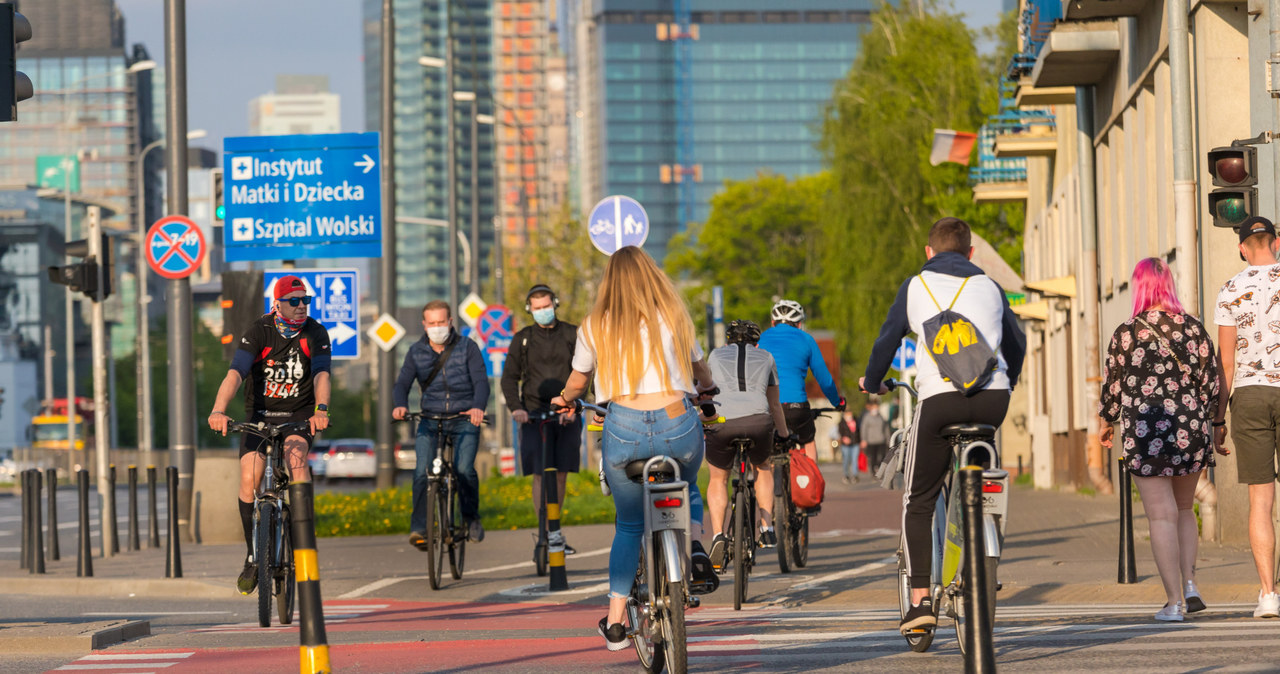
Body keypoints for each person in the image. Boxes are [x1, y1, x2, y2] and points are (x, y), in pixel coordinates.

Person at [859, 217, 1025, 634]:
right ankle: (984, 547)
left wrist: (874, 381)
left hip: (940, 402)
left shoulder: (916, 286)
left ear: (928, 252)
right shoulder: (990, 286)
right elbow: (1016, 342)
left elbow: (887, 339)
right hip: (992, 400)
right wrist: (1008, 382)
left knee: (917, 500)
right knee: (986, 475)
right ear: (971, 253)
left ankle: (920, 602)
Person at [549, 246, 719, 652]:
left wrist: (564, 399)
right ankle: (694, 547)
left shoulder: (595, 325)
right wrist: (708, 391)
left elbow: (578, 380)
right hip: (677, 419)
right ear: (652, 275)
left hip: (623, 426)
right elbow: (700, 372)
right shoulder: (674, 315)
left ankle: (614, 622)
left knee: (628, 525)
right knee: (689, 485)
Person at [1101, 258, 1224, 621]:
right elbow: (1212, 382)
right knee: (1185, 510)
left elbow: (1112, 385)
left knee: (1161, 516)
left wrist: (1107, 422)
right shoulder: (1194, 329)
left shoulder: (1126, 333)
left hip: (1145, 429)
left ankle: (1174, 603)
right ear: (1168, 284)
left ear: (1139, 287)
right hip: (1189, 427)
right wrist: (1214, 421)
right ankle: (1189, 584)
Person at [208, 275, 331, 595]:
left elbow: (321, 374)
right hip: (259, 416)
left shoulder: (315, 333)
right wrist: (218, 410)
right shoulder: (258, 331)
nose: (301, 306)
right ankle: (252, 554)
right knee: (250, 477)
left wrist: (322, 410)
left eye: (305, 300)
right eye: (294, 301)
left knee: (297, 460)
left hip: (299, 416)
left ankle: (304, 544)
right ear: (277, 304)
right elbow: (235, 373)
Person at [1213, 215, 1280, 619]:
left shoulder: (1230, 290)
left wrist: (1218, 418)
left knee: (1261, 498)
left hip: (1251, 396)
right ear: (1276, 242)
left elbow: (1226, 363)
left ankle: (1269, 594)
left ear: (1241, 247)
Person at [393, 300, 490, 545]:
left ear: (450, 322)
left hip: (464, 418)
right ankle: (419, 529)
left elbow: (481, 382)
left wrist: (477, 408)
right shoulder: (416, 351)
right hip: (430, 419)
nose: (437, 327)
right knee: (420, 472)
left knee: (464, 470)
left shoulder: (468, 347)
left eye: (441, 322)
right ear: (424, 325)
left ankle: (470, 517)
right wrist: (400, 405)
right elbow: (402, 383)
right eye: (432, 323)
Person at [703, 319, 792, 569]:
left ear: (727, 340)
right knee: (762, 466)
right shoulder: (766, 357)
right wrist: (784, 435)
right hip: (757, 421)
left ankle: (719, 535)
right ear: (756, 342)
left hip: (722, 421)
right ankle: (766, 526)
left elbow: (705, 392)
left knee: (718, 478)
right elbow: (774, 405)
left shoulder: (715, 355)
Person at [501, 284, 582, 557]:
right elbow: (509, 377)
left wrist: (575, 407)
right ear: (529, 310)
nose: (542, 312)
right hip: (533, 415)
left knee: (559, 475)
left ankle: (556, 530)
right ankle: (544, 532)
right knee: (539, 473)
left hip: (566, 413)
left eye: (546, 306)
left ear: (555, 304)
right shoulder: (522, 339)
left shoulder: (572, 334)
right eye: (537, 309)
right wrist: (516, 408)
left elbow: (586, 371)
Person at [757, 299, 845, 500]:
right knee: (808, 441)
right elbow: (824, 378)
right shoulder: (806, 340)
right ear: (799, 323)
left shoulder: (761, 339)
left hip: (766, 406)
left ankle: (765, 497)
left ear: (773, 322)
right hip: (796, 406)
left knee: (766, 451)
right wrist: (837, 402)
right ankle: (810, 489)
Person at [859, 399, 890, 476]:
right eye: (874, 407)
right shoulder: (867, 417)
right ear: (871, 408)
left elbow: (886, 428)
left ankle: (878, 468)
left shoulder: (881, 417)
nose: (876, 409)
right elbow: (864, 429)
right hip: (871, 441)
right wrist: (864, 440)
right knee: (873, 457)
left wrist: (888, 439)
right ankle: (873, 471)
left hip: (881, 440)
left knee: (882, 455)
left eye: (877, 407)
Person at [832, 408, 860, 484]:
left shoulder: (856, 421)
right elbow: (839, 433)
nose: (849, 415)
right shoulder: (841, 423)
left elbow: (859, 431)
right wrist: (843, 439)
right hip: (845, 445)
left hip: (855, 443)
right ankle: (846, 475)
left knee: (855, 460)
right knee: (846, 460)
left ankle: (855, 475)